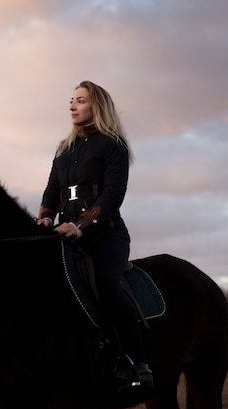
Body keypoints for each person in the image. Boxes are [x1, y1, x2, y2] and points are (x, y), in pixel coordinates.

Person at [36, 80, 153, 392]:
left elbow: (113, 195)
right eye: (71, 100)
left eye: (81, 100)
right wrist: (46, 217)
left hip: (107, 237)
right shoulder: (63, 149)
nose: (73, 106)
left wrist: (81, 225)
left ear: (96, 106)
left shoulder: (113, 144)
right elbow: (51, 190)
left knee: (105, 281)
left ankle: (135, 360)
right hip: (65, 236)